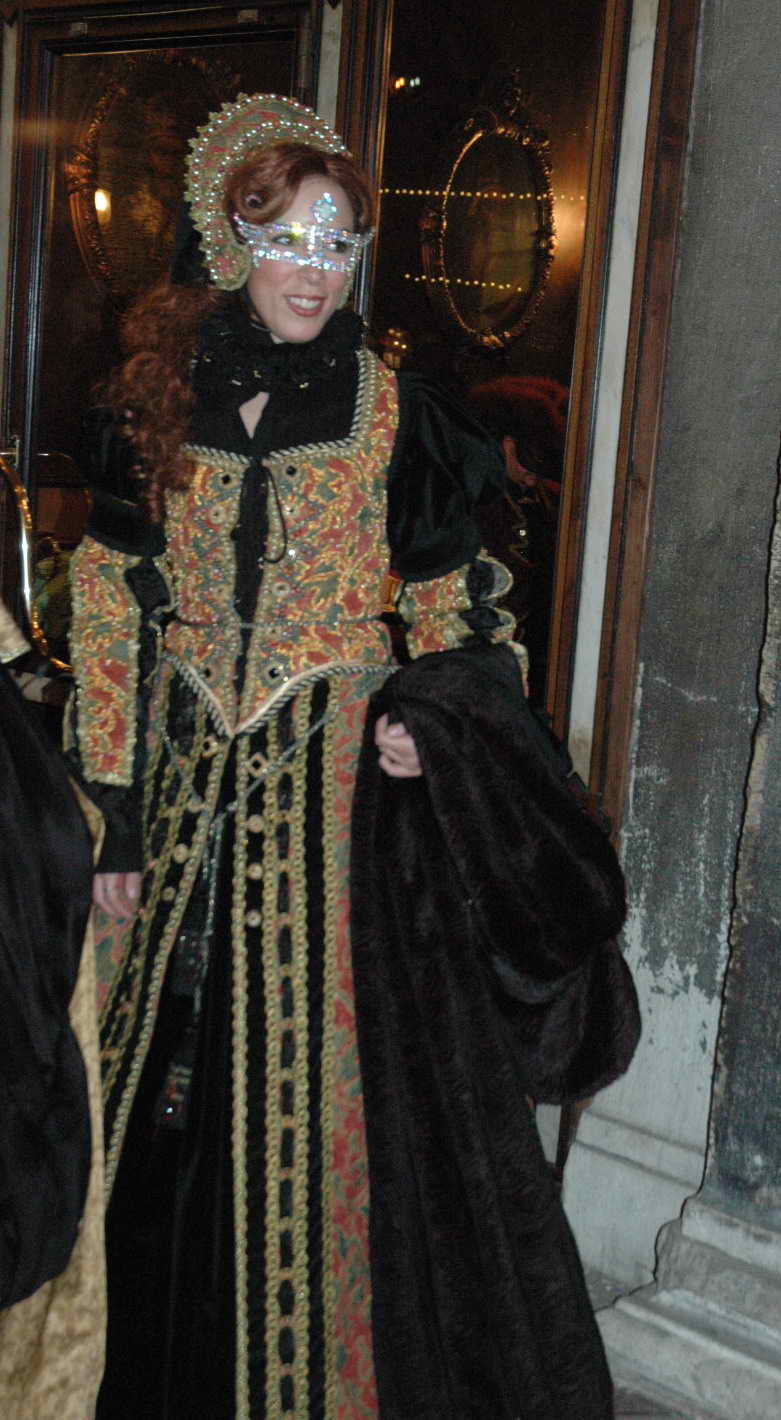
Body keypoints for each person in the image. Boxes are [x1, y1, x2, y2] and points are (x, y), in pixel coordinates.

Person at [67, 94, 633, 1419]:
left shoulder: (397, 412)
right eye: (288, 240)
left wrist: (426, 721)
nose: (315, 271)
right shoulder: (156, 397)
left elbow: (458, 612)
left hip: (339, 819)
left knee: (333, 1106)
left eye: (338, 244)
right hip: (182, 790)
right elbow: (108, 597)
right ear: (233, 241)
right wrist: (113, 803)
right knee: (153, 1084)